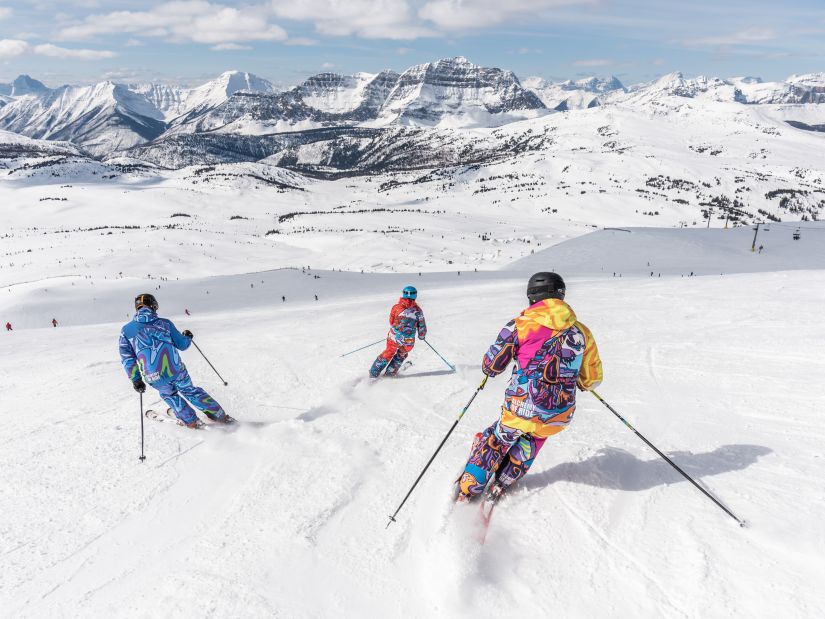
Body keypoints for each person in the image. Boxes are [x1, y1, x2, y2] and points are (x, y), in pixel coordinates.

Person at [456, 272, 602, 503]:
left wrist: (488, 371)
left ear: (532, 297)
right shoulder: (582, 332)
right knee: (533, 439)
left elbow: (492, 364)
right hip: (559, 413)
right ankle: (503, 481)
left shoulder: (520, 325)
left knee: (498, 438)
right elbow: (591, 378)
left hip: (521, 406)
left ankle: (470, 486)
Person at [119, 293, 234, 428]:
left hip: (153, 376)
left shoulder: (126, 330)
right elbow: (182, 345)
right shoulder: (164, 323)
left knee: (170, 395)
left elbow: (127, 358)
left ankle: (191, 421)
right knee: (190, 391)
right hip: (175, 369)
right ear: (153, 306)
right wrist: (188, 337)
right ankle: (219, 416)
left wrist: (136, 379)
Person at [369, 286, 427, 378]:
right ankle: (390, 372)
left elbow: (391, 321)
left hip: (394, 337)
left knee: (389, 351)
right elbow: (422, 326)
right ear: (415, 295)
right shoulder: (418, 311)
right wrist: (422, 335)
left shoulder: (396, 307)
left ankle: (374, 372)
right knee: (401, 353)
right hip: (408, 341)